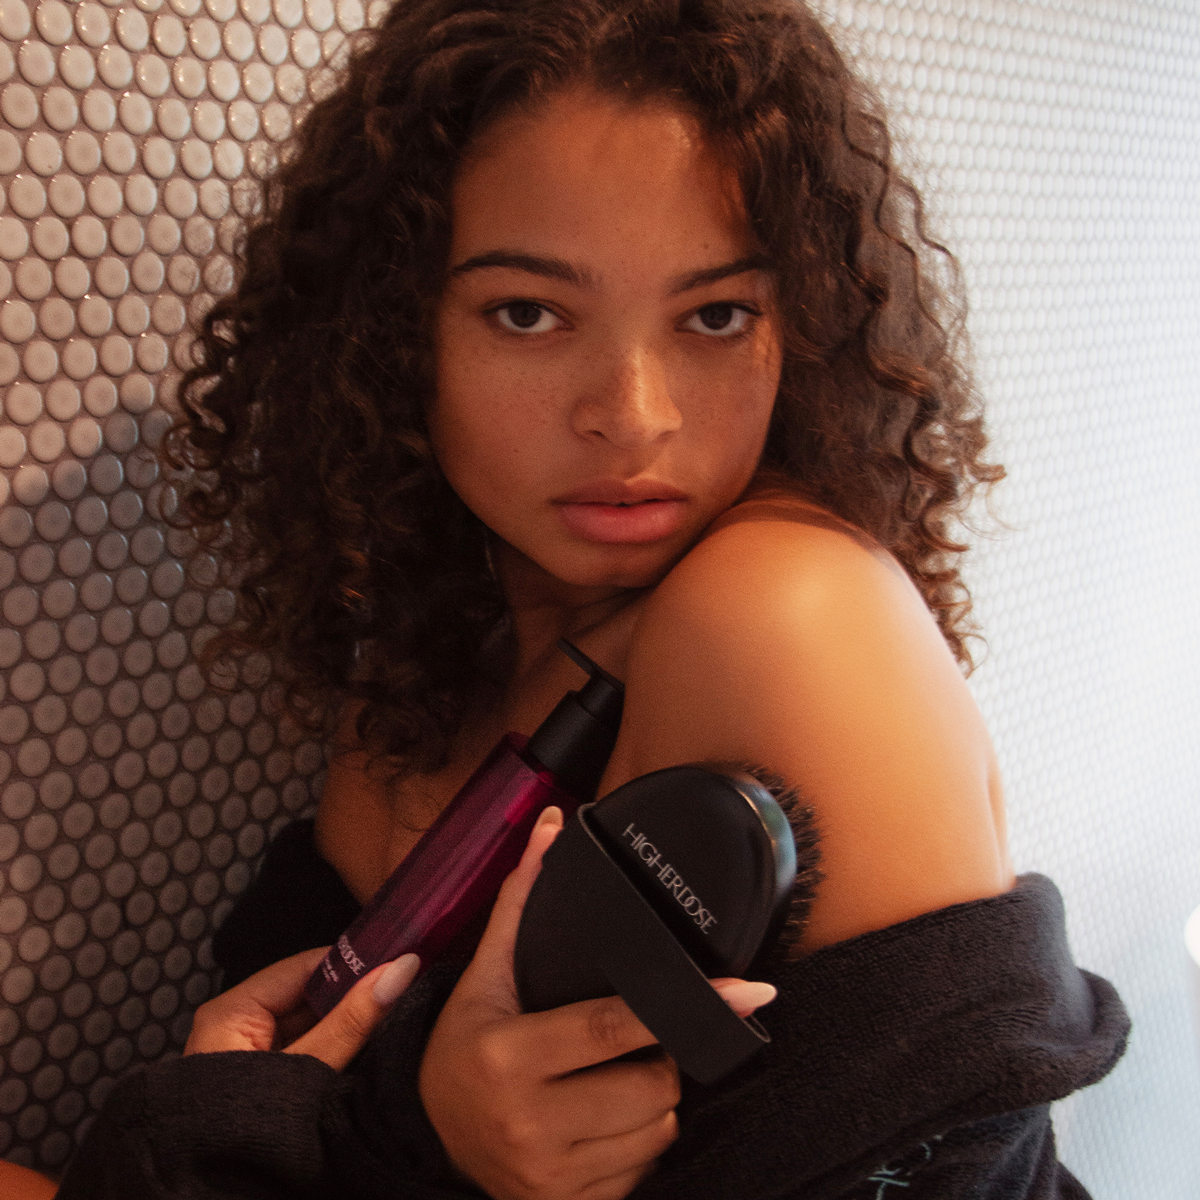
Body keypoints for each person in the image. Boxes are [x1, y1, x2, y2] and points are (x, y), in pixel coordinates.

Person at [46, 0, 1126, 1197]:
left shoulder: (785, 620)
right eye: (529, 313)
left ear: (804, 328)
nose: (634, 415)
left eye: (716, 316)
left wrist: (403, 1148)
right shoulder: (434, 644)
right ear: (394, 335)